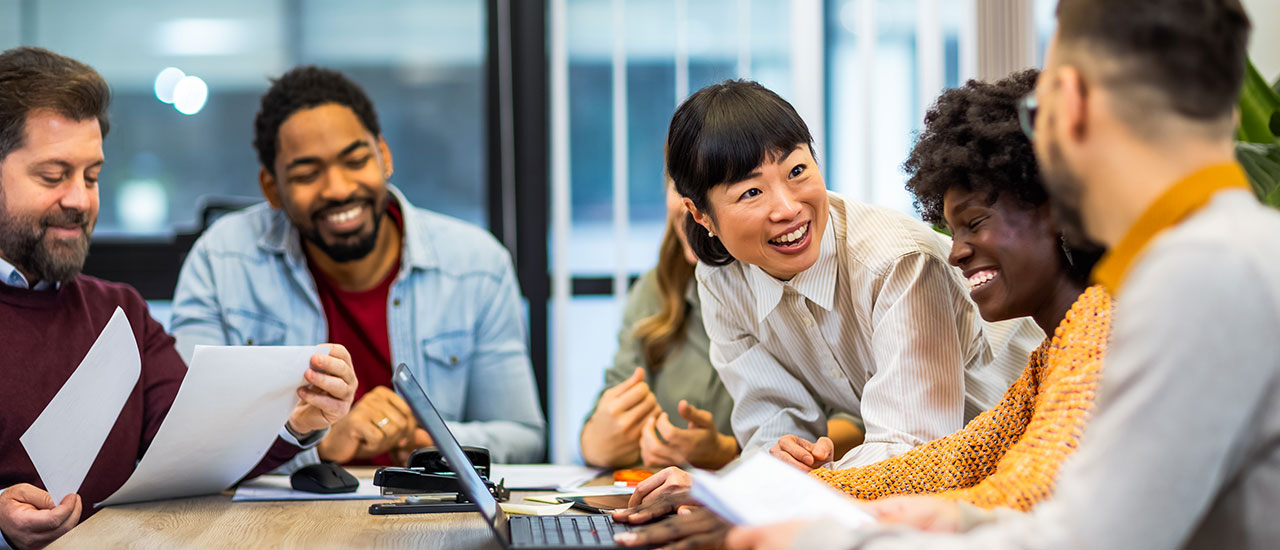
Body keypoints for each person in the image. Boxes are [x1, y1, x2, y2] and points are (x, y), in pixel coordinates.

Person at [727, 0, 1280, 548]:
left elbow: (1081, 538)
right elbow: (962, 463)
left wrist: (821, 539)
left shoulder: (1198, 278)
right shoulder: (1221, 255)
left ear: (1072, 107)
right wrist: (946, 518)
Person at [612, 68, 1113, 549]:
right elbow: (948, 464)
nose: (955, 251)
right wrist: (742, 495)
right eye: (750, 191)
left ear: (1056, 211)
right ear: (702, 216)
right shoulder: (1047, 366)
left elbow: (997, 487)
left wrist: (773, 506)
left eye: (798, 171)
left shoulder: (1089, 341)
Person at [0, 47, 357, 550]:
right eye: (53, 176)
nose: (80, 199)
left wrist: (298, 422)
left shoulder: (119, 312)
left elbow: (200, 452)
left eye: (92, 176)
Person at [170, 66, 545, 467]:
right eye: (307, 174)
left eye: (355, 160)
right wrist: (317, 444)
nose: (338, 188)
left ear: (383, 155)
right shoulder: (221, 259)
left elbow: (522, 437)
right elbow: (184, 439)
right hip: (280, 520)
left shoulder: (477, 266)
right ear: (271, 188)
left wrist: (422, 440)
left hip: (423, 517)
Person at [580, 181, 865, 469]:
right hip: (673, 499)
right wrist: (595, 444)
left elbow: (857, 419)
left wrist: (731, 450)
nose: (691, 206)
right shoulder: (654, 290)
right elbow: (609, 413)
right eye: (680, 187)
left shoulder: (803, 280)